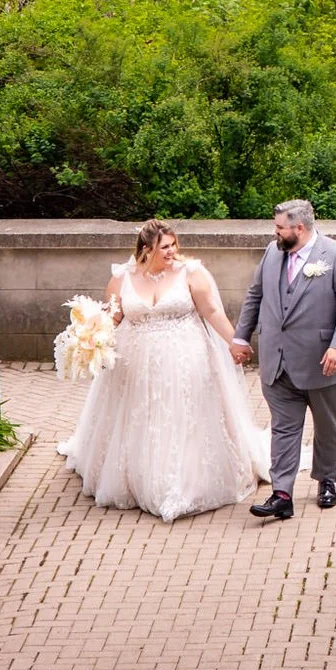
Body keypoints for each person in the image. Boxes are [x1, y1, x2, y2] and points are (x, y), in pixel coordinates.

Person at [56, 220, 273, 521]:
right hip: (135, 364)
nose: (172, 252)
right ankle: (137, 477)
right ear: (146, 250)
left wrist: (234, 342)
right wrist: (90, 339)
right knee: (140, 417)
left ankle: (182, 481)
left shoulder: (192, 272)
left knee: (182, 416)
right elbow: (112, 319)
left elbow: (212, 311)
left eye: (173, 245)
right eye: (164, 247)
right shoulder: (122, 278)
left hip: (186, 360)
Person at [232, 198, 336, 520]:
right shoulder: (271, 252)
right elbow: (255, 294)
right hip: (277, 360)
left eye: (279, 227)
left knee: (328, 427)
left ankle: (326, 480)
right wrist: (240, 336)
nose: (275, 233)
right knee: (284, 428)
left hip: (324, 361)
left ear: (299, 228)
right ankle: (282, 494)